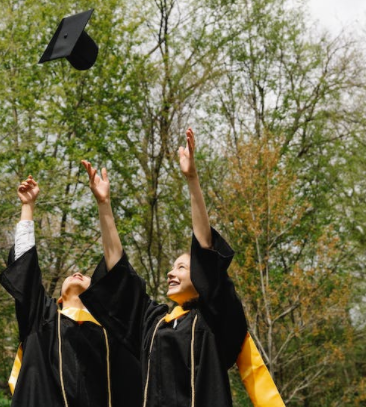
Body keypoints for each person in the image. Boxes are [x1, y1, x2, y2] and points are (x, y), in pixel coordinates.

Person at [80, 128, 285, 407]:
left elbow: (204, 247)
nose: (170, 273)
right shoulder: (152, 324)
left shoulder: (213, 320)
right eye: (172, 267)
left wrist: (192, 180)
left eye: (181, 267)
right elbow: (118, 272)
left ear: (201, 278)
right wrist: (104, 205)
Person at [0, 176, 141, 407]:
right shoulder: (42, 318)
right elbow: (25, 271)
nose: (77, 273)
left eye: (86, 276)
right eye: (72, 274)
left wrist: (104, 204)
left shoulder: (111, 332)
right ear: (60, 298)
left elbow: (120, 279)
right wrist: (28, 207)